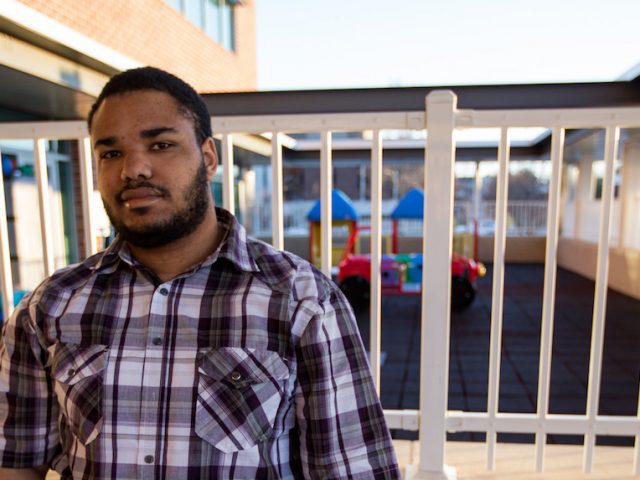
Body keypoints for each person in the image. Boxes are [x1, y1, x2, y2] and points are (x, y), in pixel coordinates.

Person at [0, 67, 400, 479]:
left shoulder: (301, 299)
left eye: (160, 144)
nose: (133, 169)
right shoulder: (49, 305)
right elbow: (14, 463)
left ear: (208, 158)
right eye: (111, 153)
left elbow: (355, 471)